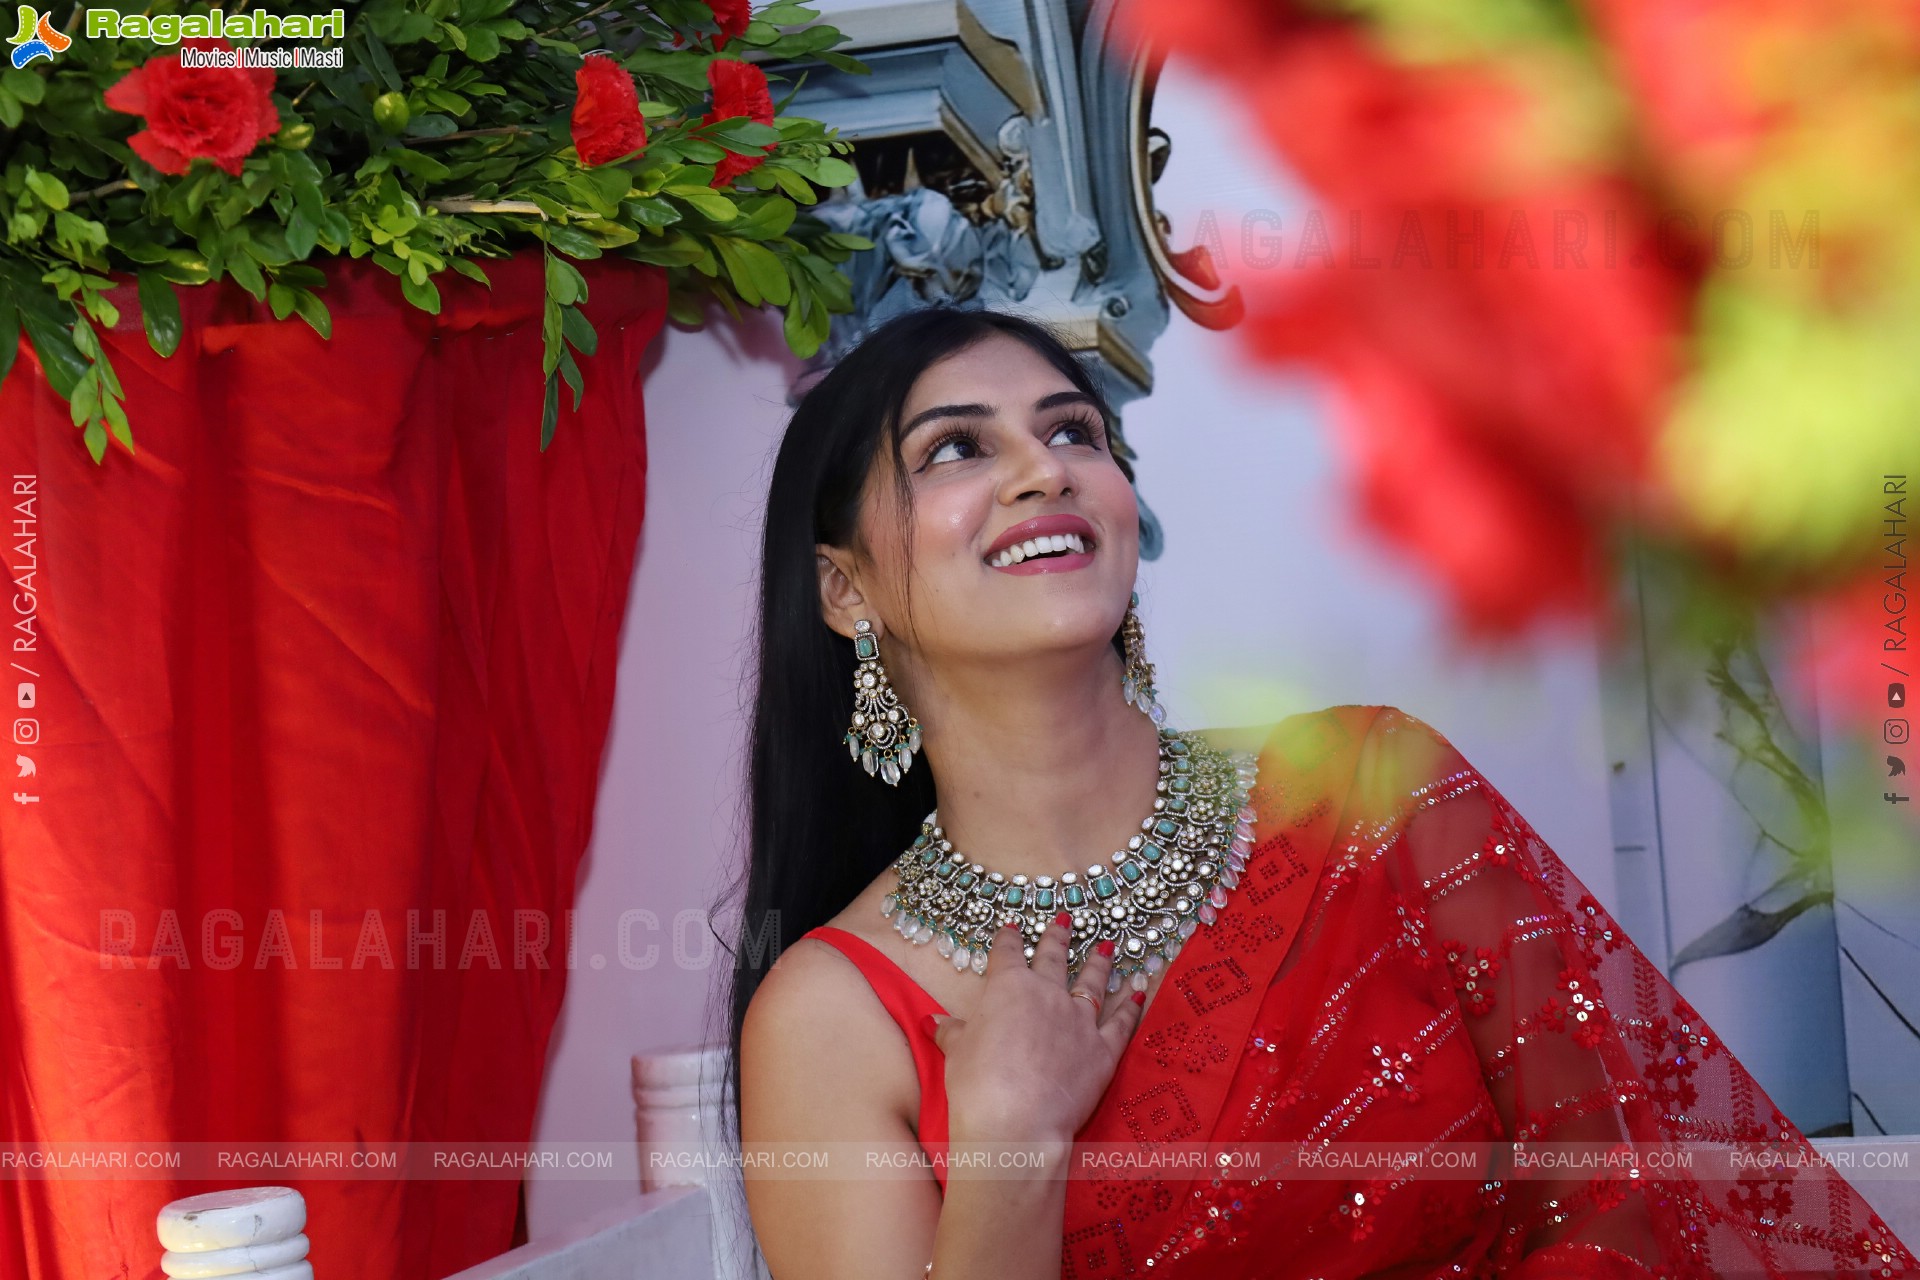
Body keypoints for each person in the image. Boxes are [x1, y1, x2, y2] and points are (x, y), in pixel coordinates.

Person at [721, 304, 1918, 1279]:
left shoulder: (1368, 791)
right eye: (959, 447)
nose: (1047, 469)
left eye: (1076, 431)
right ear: (844, 589)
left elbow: (1632, 1185)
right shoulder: (833, 1016)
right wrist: (1009, 1146)